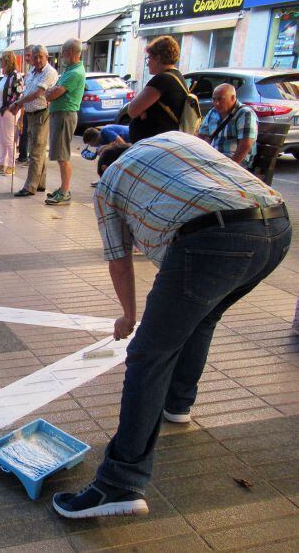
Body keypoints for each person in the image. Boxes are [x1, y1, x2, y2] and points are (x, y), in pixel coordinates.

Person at [53, 131, 291, 519]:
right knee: (203, 317)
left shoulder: (110, 183)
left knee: (148, 355)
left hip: (214, 238)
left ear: (106, 168)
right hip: (277, 227)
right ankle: (178, 404)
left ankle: (119, 483)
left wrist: (128, 317)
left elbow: (119, 259)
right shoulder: (175, 140)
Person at [9, 45, 58, 196]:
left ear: (46, 57)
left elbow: (38, 93)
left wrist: (18, 103)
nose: (36, 60)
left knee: (36, 150)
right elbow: (27, 91)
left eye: (40, 57)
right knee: (38, 149)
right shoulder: (31, 72)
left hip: (41, 113)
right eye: (34, 57)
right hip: (31, 113)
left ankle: (30, 186)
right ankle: (40, 183)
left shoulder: (49, 72)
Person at [44, 38, 86, 206]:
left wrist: (51, 92)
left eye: (63, 54)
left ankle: (65, 191)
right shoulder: (70, 71)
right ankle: (63, 188)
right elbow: (51, 92)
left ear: (70, 53)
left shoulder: (75, 73)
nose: (62, 57)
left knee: (63, 155)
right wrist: (51, 92)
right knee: (61, 154)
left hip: (65, 115)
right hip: (60, 114)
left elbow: (52, 94)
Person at [127, 35, 186, 144]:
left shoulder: (162, 79)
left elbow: (132, 110)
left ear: (158, 58)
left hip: (153, 144)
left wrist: (142, 110)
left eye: (149, 57)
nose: (148, 63)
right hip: (162, 141)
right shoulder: (176, 76)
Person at [198, 83, 257, 169]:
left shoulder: (245, 113)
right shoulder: (213, 112)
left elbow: (245, 145)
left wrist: (231, 167)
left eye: (220, 99)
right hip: (213, 157)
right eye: (214, 99)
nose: (216, 103)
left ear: (233, 98)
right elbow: (202, 136)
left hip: (235, 160)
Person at [0, 51, 24, 176]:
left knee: (9, 138)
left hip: (8, 111)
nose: (0, 62)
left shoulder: (15, 76)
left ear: (7, 61)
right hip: (0, 111)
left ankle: (11, 165)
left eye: (2, 60)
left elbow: (18, 94)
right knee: (2, 139)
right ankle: (1, 163)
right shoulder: (6, 76)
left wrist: (9, 107)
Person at [16, 46, 34, 164]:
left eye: (29, 55)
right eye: (25, 55)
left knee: (33, 136)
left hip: (37, 110)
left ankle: (30, 157)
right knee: (24, 132)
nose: (27, 58)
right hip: (27, 108)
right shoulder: (30, 73)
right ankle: (24, 155)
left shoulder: (43, 72)